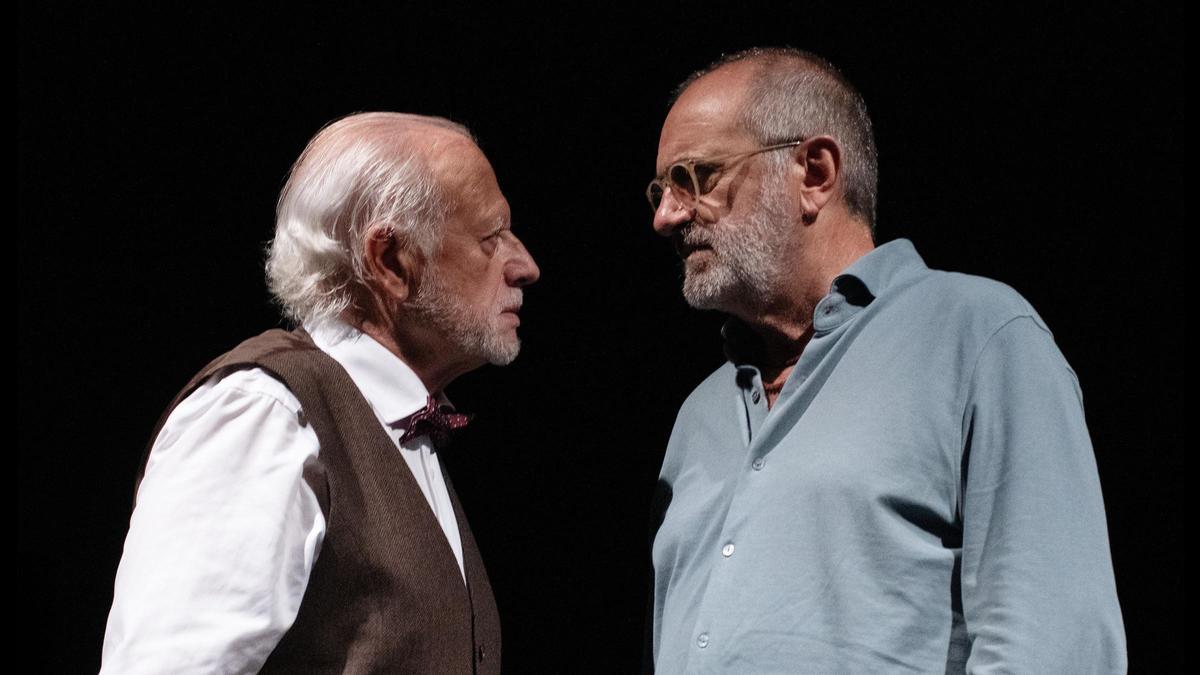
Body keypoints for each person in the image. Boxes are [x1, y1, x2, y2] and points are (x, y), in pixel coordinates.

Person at [646, 48, 1126, 673]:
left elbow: (1056, 644)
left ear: (815, 173)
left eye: (695, 177)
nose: (666, 217)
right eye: (660, 189)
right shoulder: (698, 416)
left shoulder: (980, 337)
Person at [101, 112, 539, 674]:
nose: (524, 265)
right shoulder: (265, 413)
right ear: (390, 260)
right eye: (490, 237)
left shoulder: (399, 426)